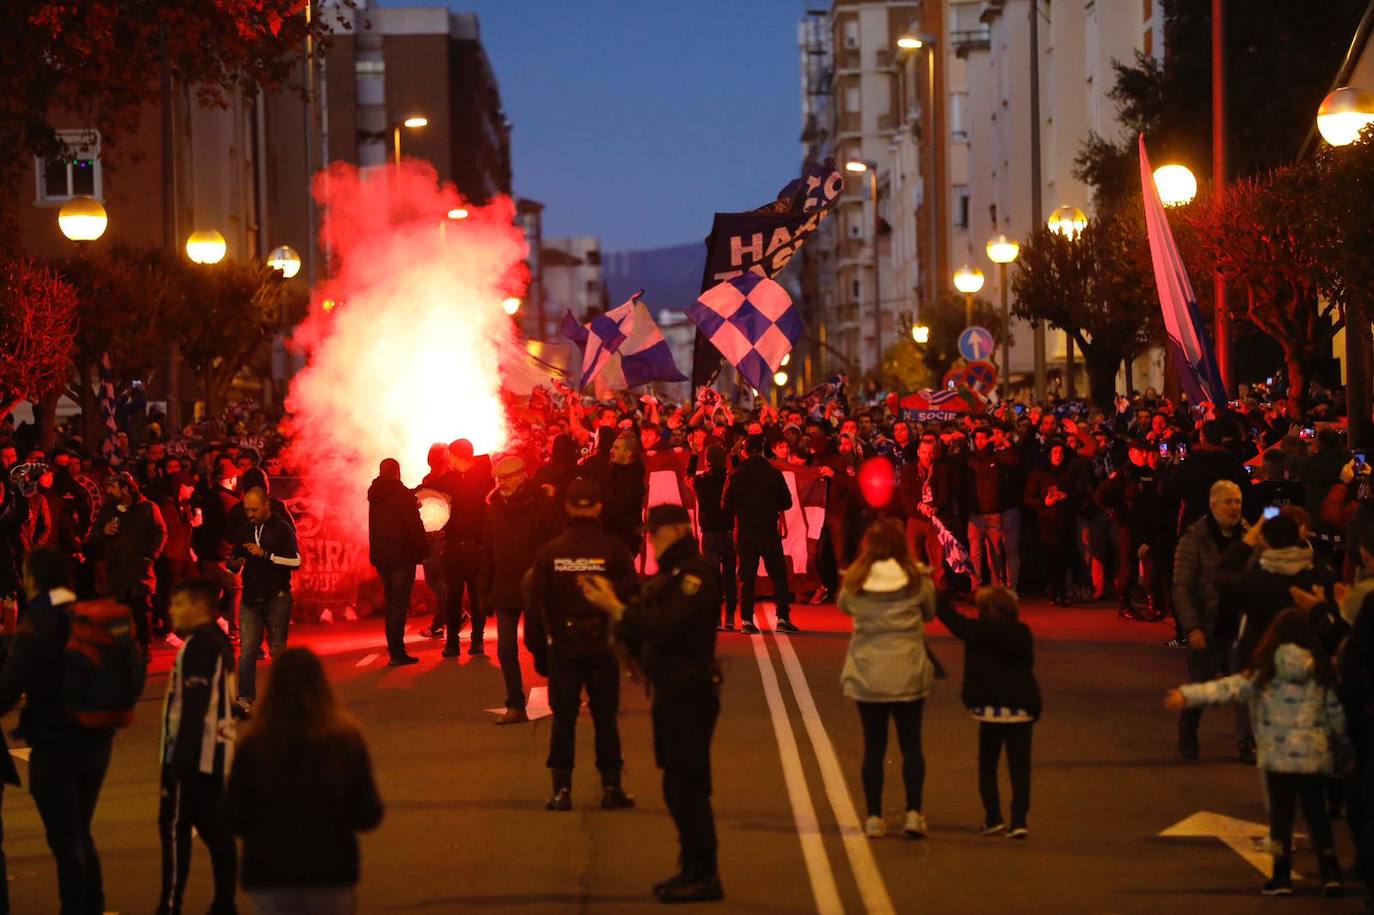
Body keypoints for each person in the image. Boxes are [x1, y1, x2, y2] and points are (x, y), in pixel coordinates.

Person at [578, 504, 725, 904]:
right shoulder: (674, 574)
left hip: (689, 690)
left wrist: (617, 610)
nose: (651, 541)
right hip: (672, 689)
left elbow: (667, 625)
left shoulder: (696, 573)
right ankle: (692, 867)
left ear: (678, 530)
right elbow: (648, 603)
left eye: (656, 533)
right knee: (677, 782)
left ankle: (704, 872)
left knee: (686, 784)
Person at [1167, 609, 1347, 897]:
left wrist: (1189, 695)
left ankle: (1281, 874)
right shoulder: (1320, 672)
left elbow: (1228, 688)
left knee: (1281, 818)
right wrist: (1345, 747)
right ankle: (1330, 871)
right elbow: (1336, 714)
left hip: (1277, 759)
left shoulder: (1265, 672)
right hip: (1313, 756)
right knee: (1317, 815)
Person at [0, 549, 116, 914]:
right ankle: (92, 903)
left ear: (33, 578)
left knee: (66, 839)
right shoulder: (88, 614)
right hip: (97, 740)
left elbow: (7, 689)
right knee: (80, 829)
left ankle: (77, 907)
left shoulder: (35, 624)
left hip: (55, 742)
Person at [227, 647, 384, 914]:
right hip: (329, 870)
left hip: (270, 872)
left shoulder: (255, 745)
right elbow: (367, 814)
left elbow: (235, 817)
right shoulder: (344, 740)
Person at [526, 479, 637, 810]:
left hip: (563, 646)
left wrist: (540, 653)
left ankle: (561, 791)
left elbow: (534, 607)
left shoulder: (550, 552)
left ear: (568, 507)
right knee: (605, 716)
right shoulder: (614, 550)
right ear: (599, 507)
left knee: (564, 718)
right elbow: (632, 598)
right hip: (602, 644)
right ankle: (611, 787)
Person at [837, 518, 936, 840]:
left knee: (873, 748)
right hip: (907, 669)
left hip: (869, 672)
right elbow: (930, 612)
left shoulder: (857, 580)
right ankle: (913, 812)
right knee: (912, 746)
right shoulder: (917, 579)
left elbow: (844, 607)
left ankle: (874, 817)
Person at [156, 578, 238, 915]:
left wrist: (178, 763)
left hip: (193, 757)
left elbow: (194, 705)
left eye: (178, 604)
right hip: (216, 753)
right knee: (215, 831)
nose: (171, 611)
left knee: (175, 829)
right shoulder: (216, 641)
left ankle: (170, 904)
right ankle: (224, 903)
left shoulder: (201, 646)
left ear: (198, 607)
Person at [937, 587, 1041, 839]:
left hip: (990, 709)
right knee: (1020, 768)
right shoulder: (1022, 633)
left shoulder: (977, 632)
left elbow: (952, 619)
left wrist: (935, 593)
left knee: (988, 765)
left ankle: (993, 817)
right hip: (1020, 708)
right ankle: (1019, 821)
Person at [1173, 479, 1248, 760]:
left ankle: (1246, 742)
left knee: (1243, 687)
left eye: (1237, 501)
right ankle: (1188, 730)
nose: (1234, 507)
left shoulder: (1248, 534)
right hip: (1208, 623)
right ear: (1213, 504)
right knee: (1201, 685)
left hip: (1239, 625)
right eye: (1228, 501)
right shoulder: (1196, 538)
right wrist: (1191, 626)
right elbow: (1181, 585)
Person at [483, 455, 557, 724]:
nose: (502, 482)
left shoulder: (539, 502)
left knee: (542, 643)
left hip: (536, 584)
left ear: (522, 475)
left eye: (507, 477)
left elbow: (553, 541)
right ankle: (515, 705)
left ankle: (562, 694)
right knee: (505, 650)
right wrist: (484, 592)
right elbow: (488, 551)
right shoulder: (492, 507)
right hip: (504, 585)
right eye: (498, 478)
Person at [230, 488, 300, 714]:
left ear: (266, 505)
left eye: (254, 509)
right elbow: (234, 560)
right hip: (251, 597)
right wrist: (234, 563)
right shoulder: (242, 531)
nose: (249, 514)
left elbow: (295, 561)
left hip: (277, 595)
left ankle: (284, 699)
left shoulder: (282, 529)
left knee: (278, 648)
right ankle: (245, 699)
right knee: (247, 650)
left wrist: (266, 555)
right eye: (246, 509)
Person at [724, 435, 798, 635]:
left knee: (746, 577)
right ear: (763, 451)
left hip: (746, 531)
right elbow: (787, 502)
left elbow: (726, 504)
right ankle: (783, 617)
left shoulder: (736, 476)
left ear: (745, 451)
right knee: (778, 575)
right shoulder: (774, 474)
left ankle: (747, 620)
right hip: (768, 529)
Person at [88, 470, 167, 651]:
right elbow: (94, 535)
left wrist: (150, 557)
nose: (109, 490)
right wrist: (103, 532)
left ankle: (144, 645)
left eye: (113, 487)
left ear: (125, 488)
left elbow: (161, 533)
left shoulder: (148, 508)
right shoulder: (109, 509)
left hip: (139, 570)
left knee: (141, 611)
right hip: (116, 570)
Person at [367, 459, 429, 667]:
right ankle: (397, 651)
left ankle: (393, 645)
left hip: (382, 557)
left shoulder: (375, 493)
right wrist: (424, 551)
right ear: (397, 472)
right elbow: (413, 525)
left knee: (391, 600)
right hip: (402, 556)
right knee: (399, 604)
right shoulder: (401, 495)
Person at [435, 439, 492, 656]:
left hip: (477, 546)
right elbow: (427, 489)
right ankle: (452, 642)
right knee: (453, 596)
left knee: (477, 595)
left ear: (458, 455)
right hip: (454, 547)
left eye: (450, 454)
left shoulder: (485, 478)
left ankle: (477, 640)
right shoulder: (450, 479)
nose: (447, 458)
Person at [691, 445, 737, 630]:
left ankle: (716, 617)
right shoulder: (731, 479)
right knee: (730, 576)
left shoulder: (701, 481)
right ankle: (731, 617)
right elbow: (740, 473)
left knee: (712, 577)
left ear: (707, 461)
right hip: (730, 532)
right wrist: (734, 457)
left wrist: (693, 456)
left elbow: (688, 477)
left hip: (709, 533)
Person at [417, 443, 452, 640]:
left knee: (435, 579)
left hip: (433, 536)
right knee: (444, 579)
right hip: (448, 534)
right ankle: (449, 617)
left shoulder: (430, 480)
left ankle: (441, 622)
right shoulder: (453, 477)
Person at [600, 431, 647, 556]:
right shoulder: (612, 472)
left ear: (628, 453)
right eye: (612, 446)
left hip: (623, 542)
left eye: (616, 448)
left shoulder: (634, 479)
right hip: (608, 538)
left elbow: (619, 508)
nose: (611, 450)